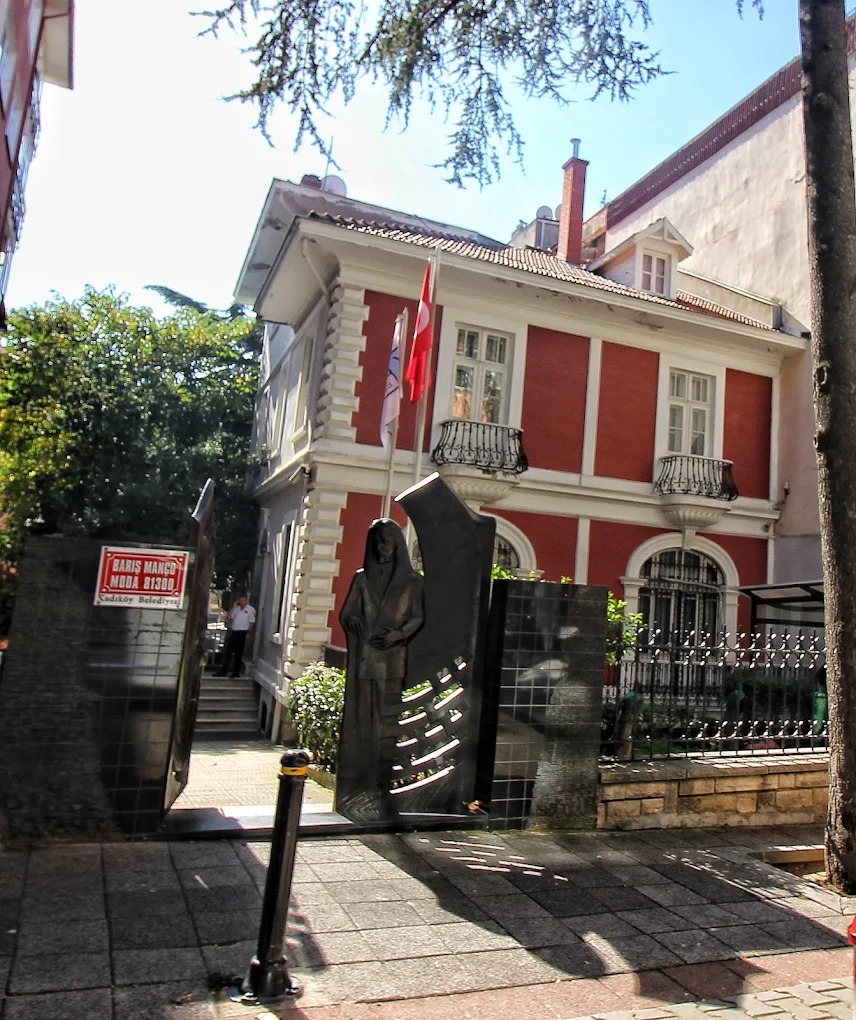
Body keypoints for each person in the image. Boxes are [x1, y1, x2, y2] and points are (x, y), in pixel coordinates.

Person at [335, 519, 424, 821]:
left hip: (393, 660)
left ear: (397, 545)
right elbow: (347, 613)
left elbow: (417, 618)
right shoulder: (362, 579)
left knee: (387, 723)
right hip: (366, 661)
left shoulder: (412, 582)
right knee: (363, 720)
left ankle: (383, 784)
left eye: (385, 542)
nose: (380, 548)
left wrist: (397, 635)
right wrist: (353, 622)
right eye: (375, 543)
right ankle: (360, 780)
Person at [216, 593, 256, 678]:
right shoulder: (236, 609)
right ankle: (223, 671)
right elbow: (229, 616)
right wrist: (234, 606)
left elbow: (251, 622)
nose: (242, 602)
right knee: (228, 652)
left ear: (246, 600)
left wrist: (248, 632)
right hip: (234, 631)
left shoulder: (250, 610)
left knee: (238, 653)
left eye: (243, 600)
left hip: (242, 632)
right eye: (240, 600)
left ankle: (235, 672)